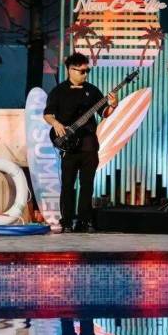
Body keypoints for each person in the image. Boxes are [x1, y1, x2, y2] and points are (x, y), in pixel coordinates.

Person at [44, 52, 117, 233]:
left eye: (87, 71)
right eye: (82, 71)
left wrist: (113, 105)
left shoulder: (92, 90)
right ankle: (67, 222)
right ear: (70, 70)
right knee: (67, 185)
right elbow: (48, 114)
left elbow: (104, 113)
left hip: (89, 145)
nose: (85, 75)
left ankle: (84, 221)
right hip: (69, 147)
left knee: (87, 185)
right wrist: (56, 124)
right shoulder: (58, 91)